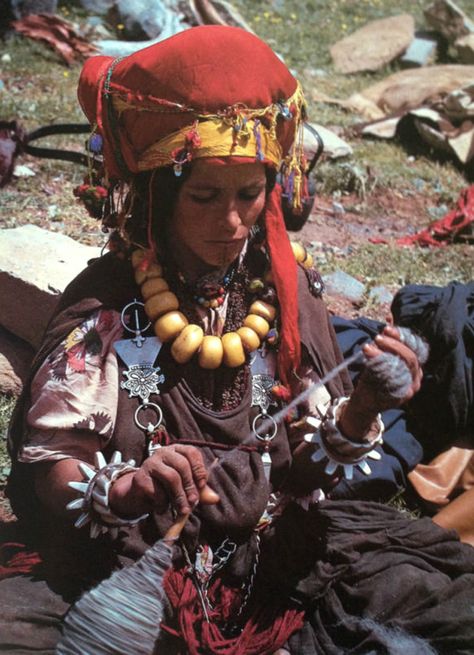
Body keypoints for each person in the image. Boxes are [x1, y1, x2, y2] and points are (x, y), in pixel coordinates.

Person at [2, 25, 474, 654]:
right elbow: (50, 468)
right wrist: (126, 488)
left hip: (271, 561)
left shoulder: (281, 294)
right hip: (127, 561)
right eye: (203, 195)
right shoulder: (109, 305)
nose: (231, 222)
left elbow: (302, 476)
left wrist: (361, 408)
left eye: (250, 194)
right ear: (158, 196)